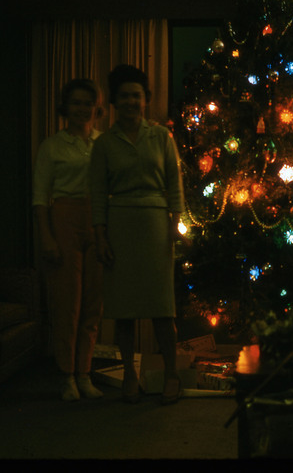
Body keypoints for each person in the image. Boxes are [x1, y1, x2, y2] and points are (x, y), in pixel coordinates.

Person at [89, 64, 186, 405]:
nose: (132, 101)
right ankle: (129, 374)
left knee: (163, 308)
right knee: (125, 310)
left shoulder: (161, 136)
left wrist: (177, 224)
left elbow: (175, 185)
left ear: (146, 99)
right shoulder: (104, 144)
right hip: (120, 226)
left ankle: (171, 373)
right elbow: (98, 194)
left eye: (137, 95)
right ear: (115, 101)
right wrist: (101, 236)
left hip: (156, 226)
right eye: (125, 95)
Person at [32, 78, 105, 401]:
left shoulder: (103, 144)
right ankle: (66, 376)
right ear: (66, 107)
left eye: (87, 103)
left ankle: (85, 373)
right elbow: (39, 198)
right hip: (63, 219)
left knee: (93, 302)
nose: (81, 108)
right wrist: (47, 237)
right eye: (75, 102)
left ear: (96, 107)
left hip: (97, 221)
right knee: (67, 303)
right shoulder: (52, 146)